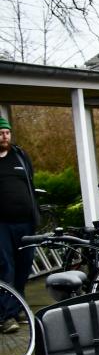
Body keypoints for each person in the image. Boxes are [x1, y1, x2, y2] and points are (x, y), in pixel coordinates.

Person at [0, 117, 38, 334]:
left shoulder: (20, 155)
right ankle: (6, 316)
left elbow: (30, 184)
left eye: (7, 132)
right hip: (2, 225)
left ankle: (18, 306)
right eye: (1, 133)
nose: (5, 136)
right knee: (6, 267)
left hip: (25, 222)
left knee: (24, 266)